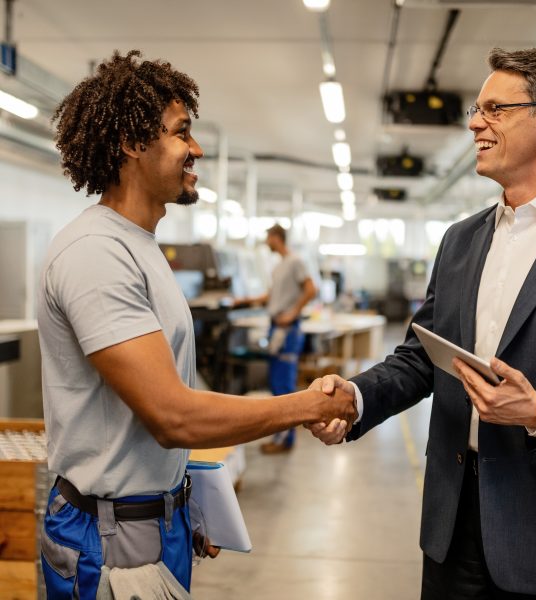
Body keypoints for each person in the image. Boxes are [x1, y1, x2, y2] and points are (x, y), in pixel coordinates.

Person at [37, 50, 356, 599]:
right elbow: (170, 415)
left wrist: (181, 505)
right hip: (108, 540)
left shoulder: (140, 249)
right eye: (183, 133)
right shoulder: (96, 253)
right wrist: (308, 405)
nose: (197, 149)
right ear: (132, 143)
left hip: (152, 523)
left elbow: (153, 420)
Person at [309, 47, 536, 599]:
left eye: (495, 109)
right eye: (477, 108)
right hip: (452, 524)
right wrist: (354, 398)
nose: (474, 123)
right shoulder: (462, 239)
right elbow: (422, 356)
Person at [236, 223, 317, 454]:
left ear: (276, 237)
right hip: (275, 328)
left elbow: (311, 290)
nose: (266, 242)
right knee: (275, 384)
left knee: (283, 387)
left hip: (287, 330)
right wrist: (243, 301)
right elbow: (271, 296)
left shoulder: (295, 262)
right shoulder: (279, 266)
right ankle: (281, 438)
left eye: (268, 238)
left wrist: (292, 313)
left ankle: (285, 441)